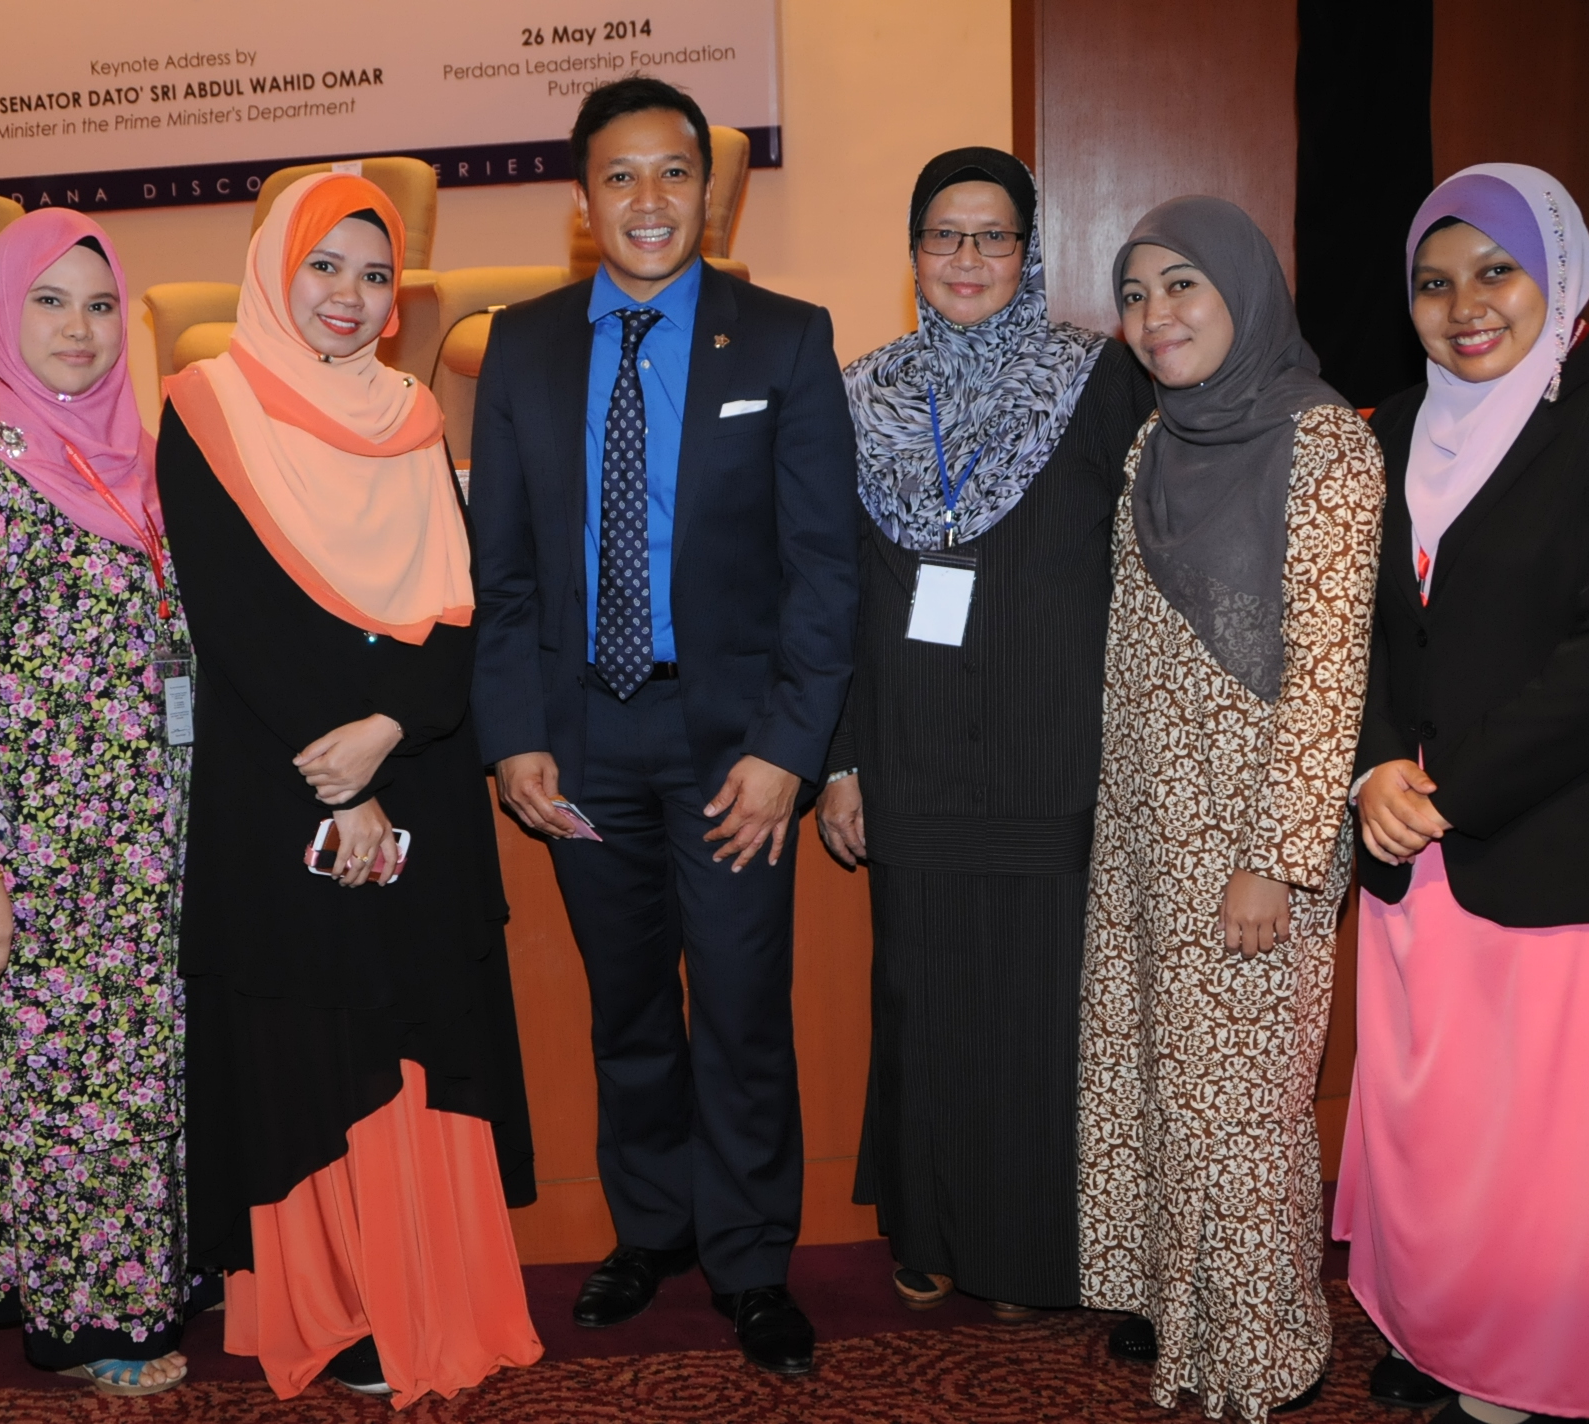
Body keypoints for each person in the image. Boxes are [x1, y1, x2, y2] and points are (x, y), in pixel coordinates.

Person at [471, 75, 860, 1377]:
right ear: (583, 201)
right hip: (581, 741)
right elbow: (502, 569)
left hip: (732, 750)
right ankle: (652, 1228)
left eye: (673, 172)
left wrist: (789, 750)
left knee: (742, 1008)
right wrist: (512, 733)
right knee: (627, 1004)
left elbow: (824, 570)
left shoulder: (785, 339)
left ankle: (749, 1260)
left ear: (710, 192)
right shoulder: (521, 347)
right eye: (620, 175)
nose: (649, 199)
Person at [155, 171, 541, 1406]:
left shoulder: (414, 413)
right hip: (283, 779)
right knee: (315, 1039)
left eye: (375, 277)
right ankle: (338, 1301)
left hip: (412, 763)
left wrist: (387, 730)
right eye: (325, 265)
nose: (349, 295)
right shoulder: (205, 406)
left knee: (418, 1026)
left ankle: (435, 1288)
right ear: (276, 269)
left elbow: (461, 601)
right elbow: (236, 616)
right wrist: (339, 778)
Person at [816, 147, 1157, 1321]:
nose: (966, 258)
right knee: (922, 996)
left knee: (1036, 1007)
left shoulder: (1096, 381)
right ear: (913, 251)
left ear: (1028, 252)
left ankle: (1026, 1247)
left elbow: (1144, 572)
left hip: (1051, 750)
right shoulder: (860, 395)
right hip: (909, 751)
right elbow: (839, 593)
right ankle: (929, 1228)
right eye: (942, 235)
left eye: (992, 236)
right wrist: (842, 757)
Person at [1075, 198, 1385, 1421]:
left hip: (1253, 832)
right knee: (1159, 1080)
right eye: (1135, 293)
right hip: (1145, 824)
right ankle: (1187, 1318)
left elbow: (1327, 673)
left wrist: (1276, 855)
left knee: (1242, 1106)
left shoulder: (1323, 444)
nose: (1155, 315)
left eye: (1182, 285)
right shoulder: (1153, 446)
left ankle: (1267, 1350)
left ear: (1244, 291)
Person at [1336, 164, 1589, 1424]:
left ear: (1555, 272)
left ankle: (1526, 1373)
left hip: (1552, 839)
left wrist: (1449, 789)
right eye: (1432, 282)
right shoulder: (1388, 426)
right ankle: (1441, 1329)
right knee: (1432, 1124)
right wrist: (1372, 767)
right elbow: (1357, 631)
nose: (1463, 306)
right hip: (1410, 841)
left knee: (1535, 1139)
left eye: (1494, 272)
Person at [0, 209, 200, 1396]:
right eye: (49, 301)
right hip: (32, 839)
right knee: (66, 1077)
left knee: (139, 1069)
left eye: (100, 303)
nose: (79, 329)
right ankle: (87, 1314)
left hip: (150, 825)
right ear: (0, 312)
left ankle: (142, 1271)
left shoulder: (145, 453)